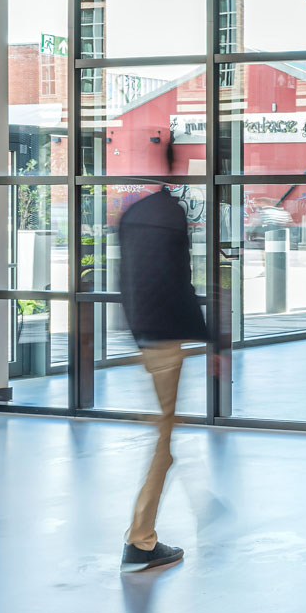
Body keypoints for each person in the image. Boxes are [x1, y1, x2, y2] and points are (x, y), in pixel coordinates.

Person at [117, 187, 208, 572]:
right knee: (163, 441)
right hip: (165, 341)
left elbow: (127, 281)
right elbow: (180, 282)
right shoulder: (170, 215)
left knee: (164, 431)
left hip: (145, 336)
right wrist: (211, 339)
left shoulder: (134, 213)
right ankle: (140, 541)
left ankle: (142, 537)